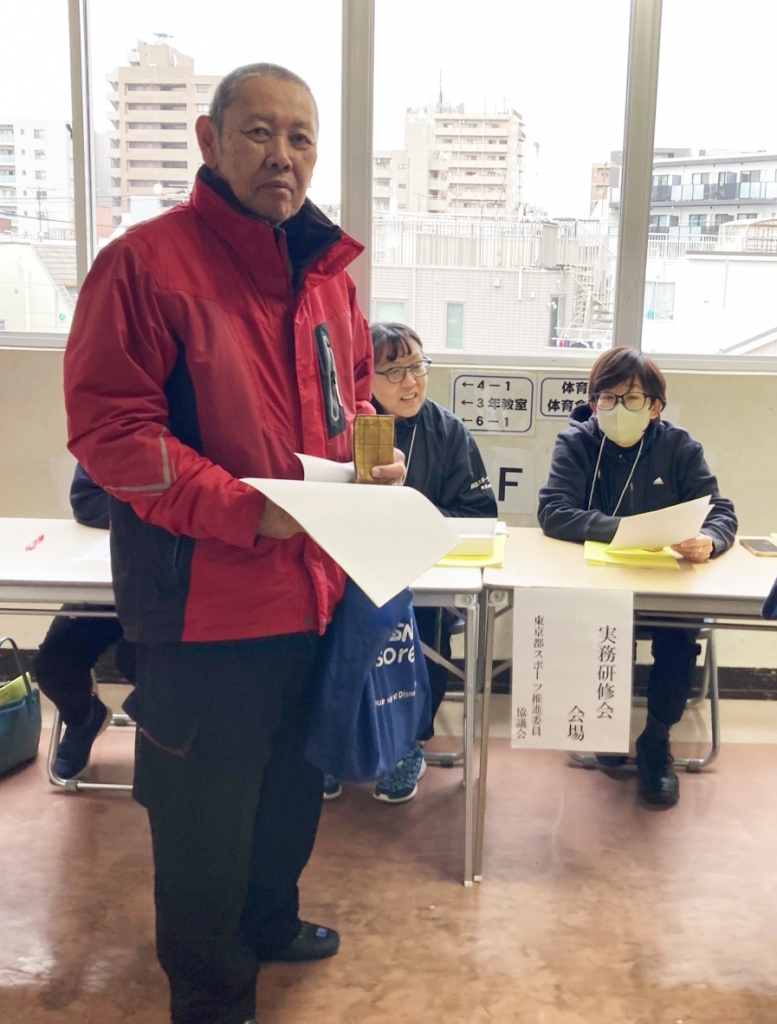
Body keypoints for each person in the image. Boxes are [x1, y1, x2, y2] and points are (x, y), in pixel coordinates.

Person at [63, 63, 404, 1024]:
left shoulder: (330, 279)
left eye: (300, 137)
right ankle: (210, 993)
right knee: (202, 822)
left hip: (314, 593)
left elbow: (354, 400)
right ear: (210, 141)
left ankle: (269, 920)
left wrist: (374, 461)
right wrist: (246, 509)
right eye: (259, 132)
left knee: (293, 789)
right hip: (202, 608)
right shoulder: (143, 265)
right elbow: (112, 432)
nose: (281, 155)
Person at [537, 346, 737, 808]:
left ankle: (656, 740)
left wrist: (709, 540)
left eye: (631, 399)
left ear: (655, 406)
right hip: (599, 585)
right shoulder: (576, 443)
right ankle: (604, 728)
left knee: (679, 635)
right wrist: (626, 531)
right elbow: (554, 511)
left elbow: (720, 511)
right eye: (607, 398)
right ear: (593, 403)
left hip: (668, 587)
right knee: (606, 627)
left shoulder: (679, 447)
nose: (618, 409)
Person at [323, 322, 497, 804]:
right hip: (349, 573)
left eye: (418, 367)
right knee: (327, 623)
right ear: (364, 377)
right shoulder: (343, 429)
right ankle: (331, 740)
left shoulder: (448, 431)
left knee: (429, 621)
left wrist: (412, 521)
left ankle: (410, 743)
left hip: (424, 571)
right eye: (394, 371)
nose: (411, 381)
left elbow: (479, 514)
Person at [33, 464, 132, 780]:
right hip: (104, 581)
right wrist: (151, 516)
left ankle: (162, 745)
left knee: (147, 666)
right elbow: (86, 500)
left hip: (168, 593)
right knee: (52, 665)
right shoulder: (110, 438)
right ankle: (84, 720)